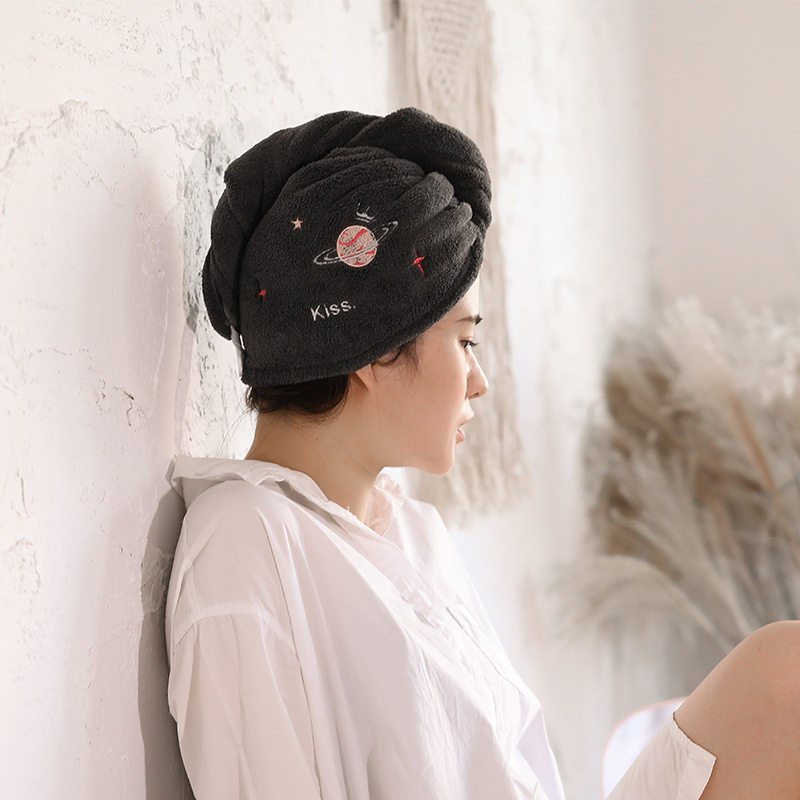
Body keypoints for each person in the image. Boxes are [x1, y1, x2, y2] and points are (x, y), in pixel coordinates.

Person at [165, 108, 800, 799]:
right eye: (465, 341)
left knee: (782, 673)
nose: (479, 380)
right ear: (375, 347)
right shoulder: (244, 540)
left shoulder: (413, 533)